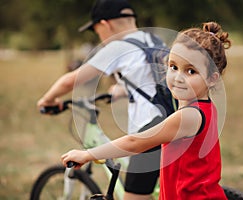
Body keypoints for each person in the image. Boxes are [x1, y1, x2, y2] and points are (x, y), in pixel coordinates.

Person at [61, 21, 232, 199]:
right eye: (173, 67)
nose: (178, 77)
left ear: (212, 79)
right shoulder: (205, 107)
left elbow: (136, 142)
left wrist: (88, 154)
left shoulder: (188, 116)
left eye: (191, 71)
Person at [37, 0, 166, 199]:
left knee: (134, 196)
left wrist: (47, 99)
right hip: (171, 121)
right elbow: (151, 77)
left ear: (105, 25)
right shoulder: (153, 39)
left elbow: (73, 79)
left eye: (97, 32)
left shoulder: (119, 47)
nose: (100, 38)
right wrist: (123, 89)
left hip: (148, 131)